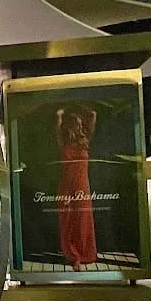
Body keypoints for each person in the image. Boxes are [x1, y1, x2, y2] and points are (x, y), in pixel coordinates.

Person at [55, 105, 97, 271]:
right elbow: (58, 118)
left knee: (83, 220)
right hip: (66, 184)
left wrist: (81, 108)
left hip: (82, 185)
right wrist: (65, 110)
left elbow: (93, 115)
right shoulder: (63, 142)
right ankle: (74, 256)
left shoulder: (85, 142)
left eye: (80, 124)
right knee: (68, 220)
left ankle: (85, 253)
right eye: (76, 124)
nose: (79, 127)